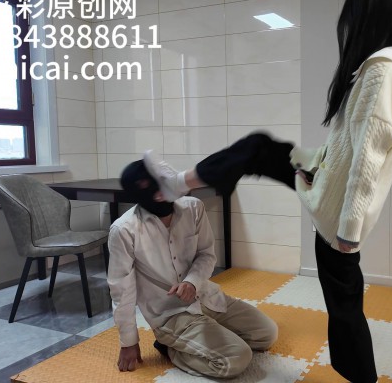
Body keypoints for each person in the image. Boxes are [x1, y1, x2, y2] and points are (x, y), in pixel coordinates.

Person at [144, 0, 392, 381]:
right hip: (322, 180)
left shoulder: (382, 72)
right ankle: (177, 184)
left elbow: (367, 159)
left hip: (336, 209)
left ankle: (362, 376)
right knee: (259, 149)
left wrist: (348, 232)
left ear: (366, 18)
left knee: (345, 306)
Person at [107, 160, 278, 378]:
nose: (161, 193)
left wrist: (192, 282)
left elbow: (206, 254)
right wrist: (129, 342)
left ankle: (203, 337)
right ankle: (171, 348)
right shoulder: (124, 230)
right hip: (170, 314)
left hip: (206, 296)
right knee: (236, 358)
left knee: (267, 334)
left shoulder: (193, 208)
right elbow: (122, 291)